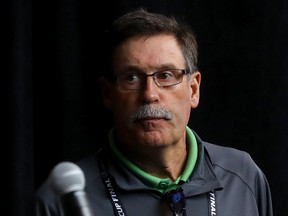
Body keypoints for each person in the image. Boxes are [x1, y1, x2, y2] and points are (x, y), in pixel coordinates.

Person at [34, 7, 273, 216]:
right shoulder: (65, 199)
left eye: (166, 75)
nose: (149, 94)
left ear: (193, 89)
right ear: (108, 94)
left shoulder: (242, 176)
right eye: (132, 77)